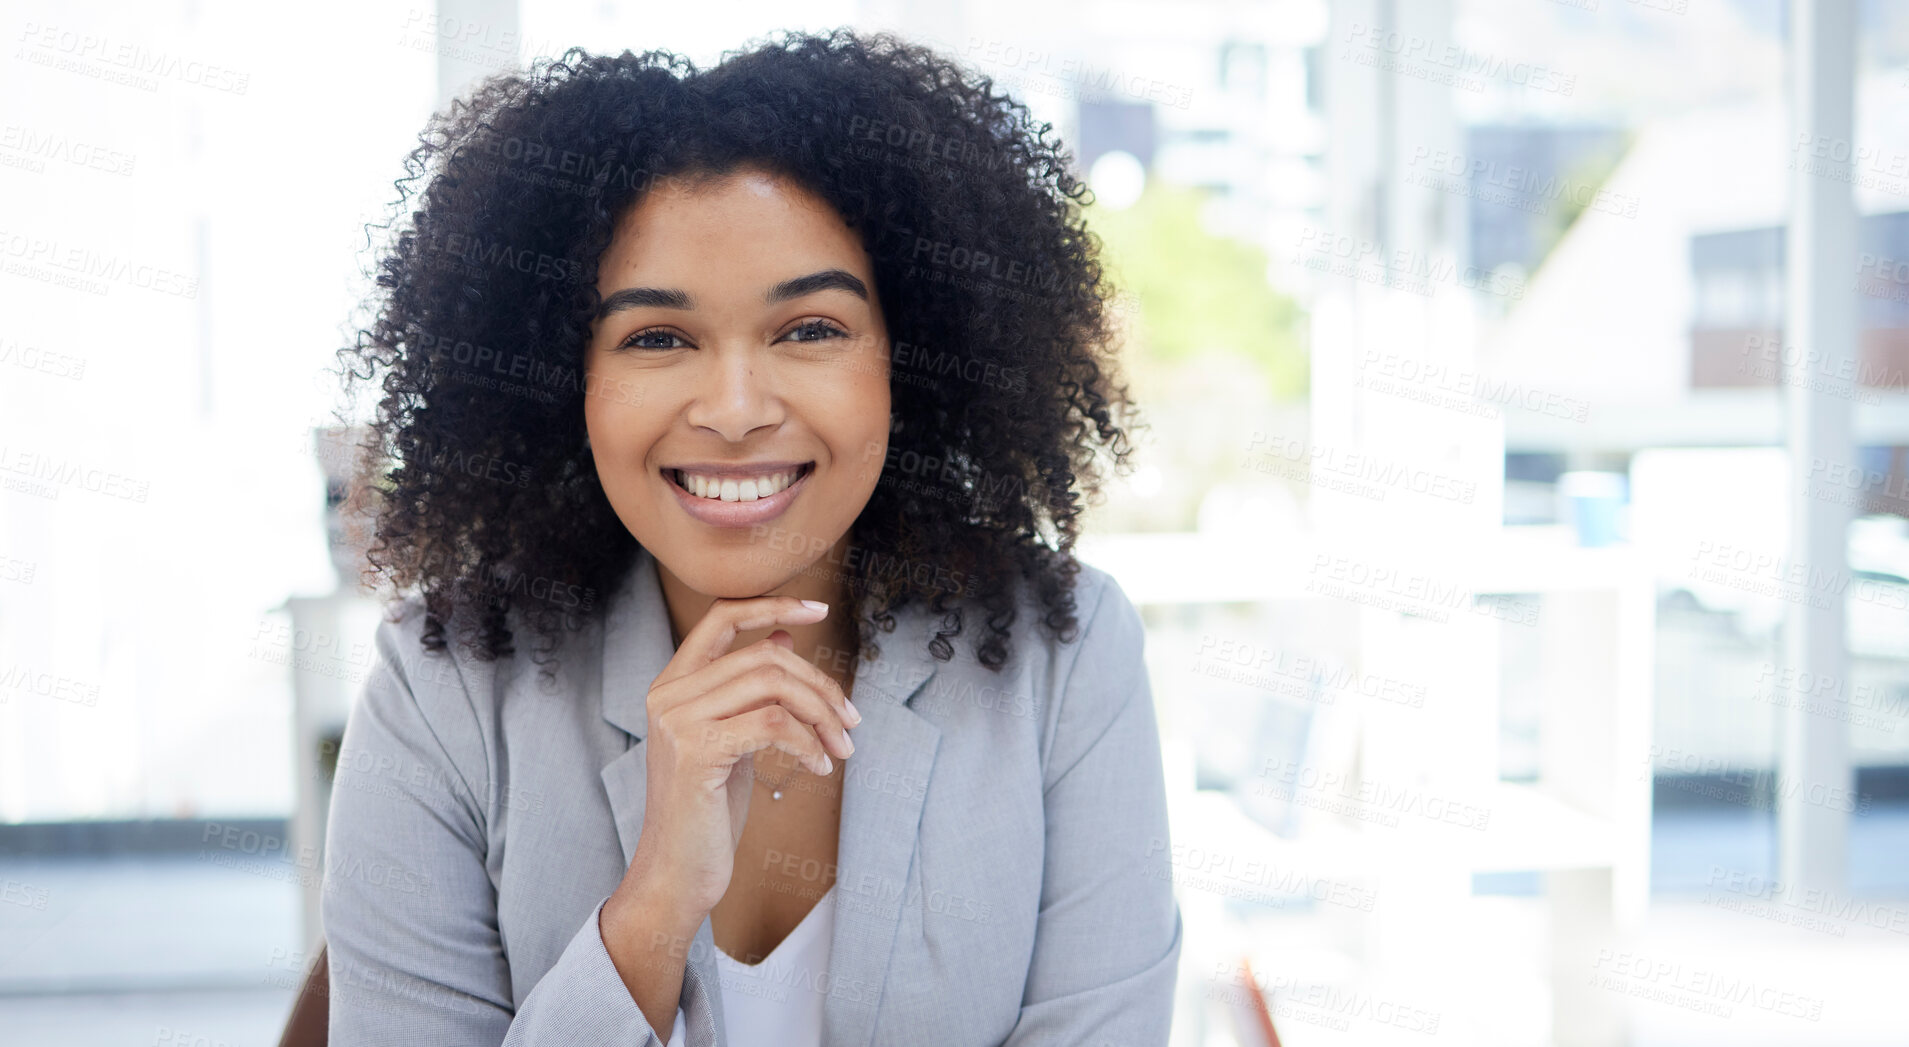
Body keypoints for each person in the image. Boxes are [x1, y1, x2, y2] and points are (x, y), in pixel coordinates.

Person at [320, 26, 1181, 1047]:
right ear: (564, 379)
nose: (733, 409)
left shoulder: (1066, 655)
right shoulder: (444, 687)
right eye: (656, 338)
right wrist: (654, 905)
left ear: (909, 360)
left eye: (810, 329)